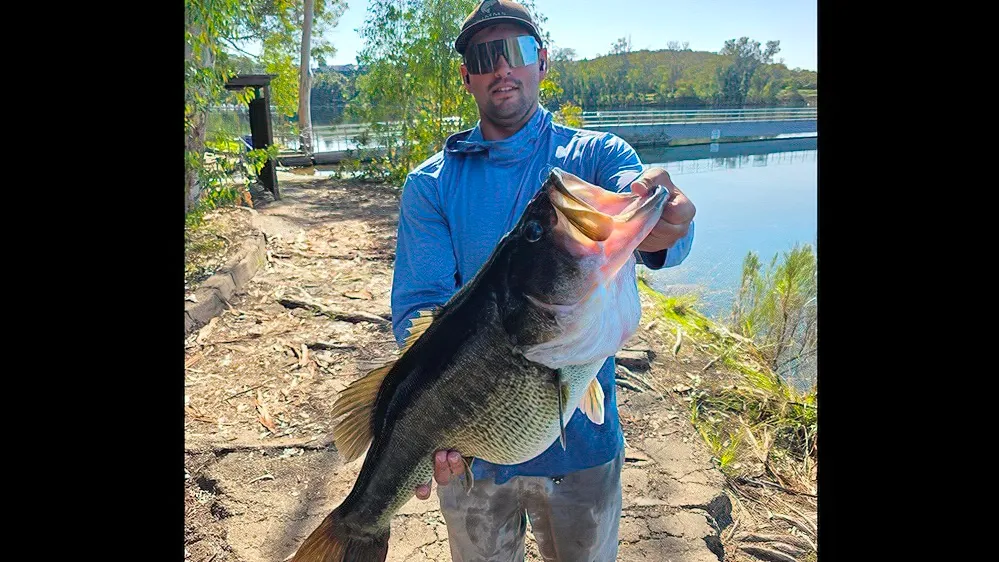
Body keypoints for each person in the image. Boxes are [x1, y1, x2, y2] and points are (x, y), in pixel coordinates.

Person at [390, 1, 696, 560]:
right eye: (485, 55)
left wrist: (665, 224)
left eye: (518, 50)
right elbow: (420, 314)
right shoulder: (429, 185)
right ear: (466, 76)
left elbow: (649, 216)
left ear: (543, 62)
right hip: (473, 456)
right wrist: (424, 425)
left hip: (583, 453)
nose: (501, 67)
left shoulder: (597, 156)